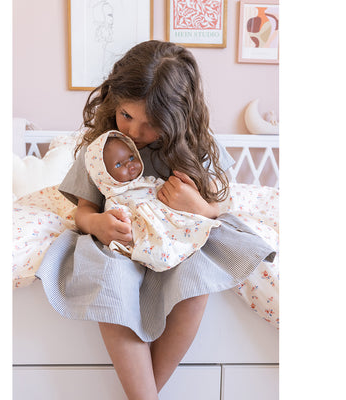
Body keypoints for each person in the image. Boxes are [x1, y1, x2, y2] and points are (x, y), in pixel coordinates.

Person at [36, 40, 276, 400]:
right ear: (114, 102)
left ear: (178, 118)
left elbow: (223, 205)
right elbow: (83, 211)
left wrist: (200, 207)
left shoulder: (197, 148)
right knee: (108, 277)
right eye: (126, 115)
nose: (134, 132)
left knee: (197, 276)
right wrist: (97, 224)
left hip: (177, 240)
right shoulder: (102, 149)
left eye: (151, 124)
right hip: (122, 243)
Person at [85, 130, 222, 272]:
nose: (130, 165)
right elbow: (119, 221)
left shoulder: (148, 181)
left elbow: (164, 191)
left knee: (188, 229)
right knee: (155, 247)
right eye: (119, 165)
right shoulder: (114, 200)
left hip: (165, 219)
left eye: (131, 157)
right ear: (104, 175)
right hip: (144, 229)